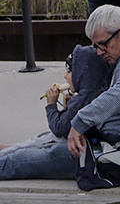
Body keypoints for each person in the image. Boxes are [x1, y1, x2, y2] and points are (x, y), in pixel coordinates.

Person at [67, 5, 120, 186]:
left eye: (103, 44)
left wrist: (81, 120)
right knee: (39, 146)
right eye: (95, 46)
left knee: (22, 161)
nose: (98, 52)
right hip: (106, 144)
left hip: (112, 152)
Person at [0, 46, 110, 180]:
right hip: (87, 145)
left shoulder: (84, 97)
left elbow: (59, 128)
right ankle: (8, 149)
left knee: (21, 158)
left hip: (80, 151)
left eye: (69, 71)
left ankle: (10, 154)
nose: (65, 76)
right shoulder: (99, 92)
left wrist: (51, 105)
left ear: (82, 73)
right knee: (40, 138)